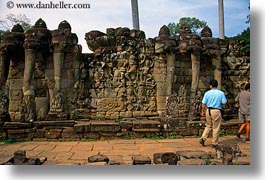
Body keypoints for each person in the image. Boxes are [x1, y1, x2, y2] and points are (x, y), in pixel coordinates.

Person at [199, 79, 227, 147]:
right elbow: (224, 102)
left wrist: (203, 111)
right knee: (216, 127)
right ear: (217, 85)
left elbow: (203, 103)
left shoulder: (207, 93)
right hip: (216, 110)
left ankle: (203, 138)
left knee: (208, 125)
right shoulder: (221, 93)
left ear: (210, 86)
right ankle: (214, 142)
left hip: (208, 110)